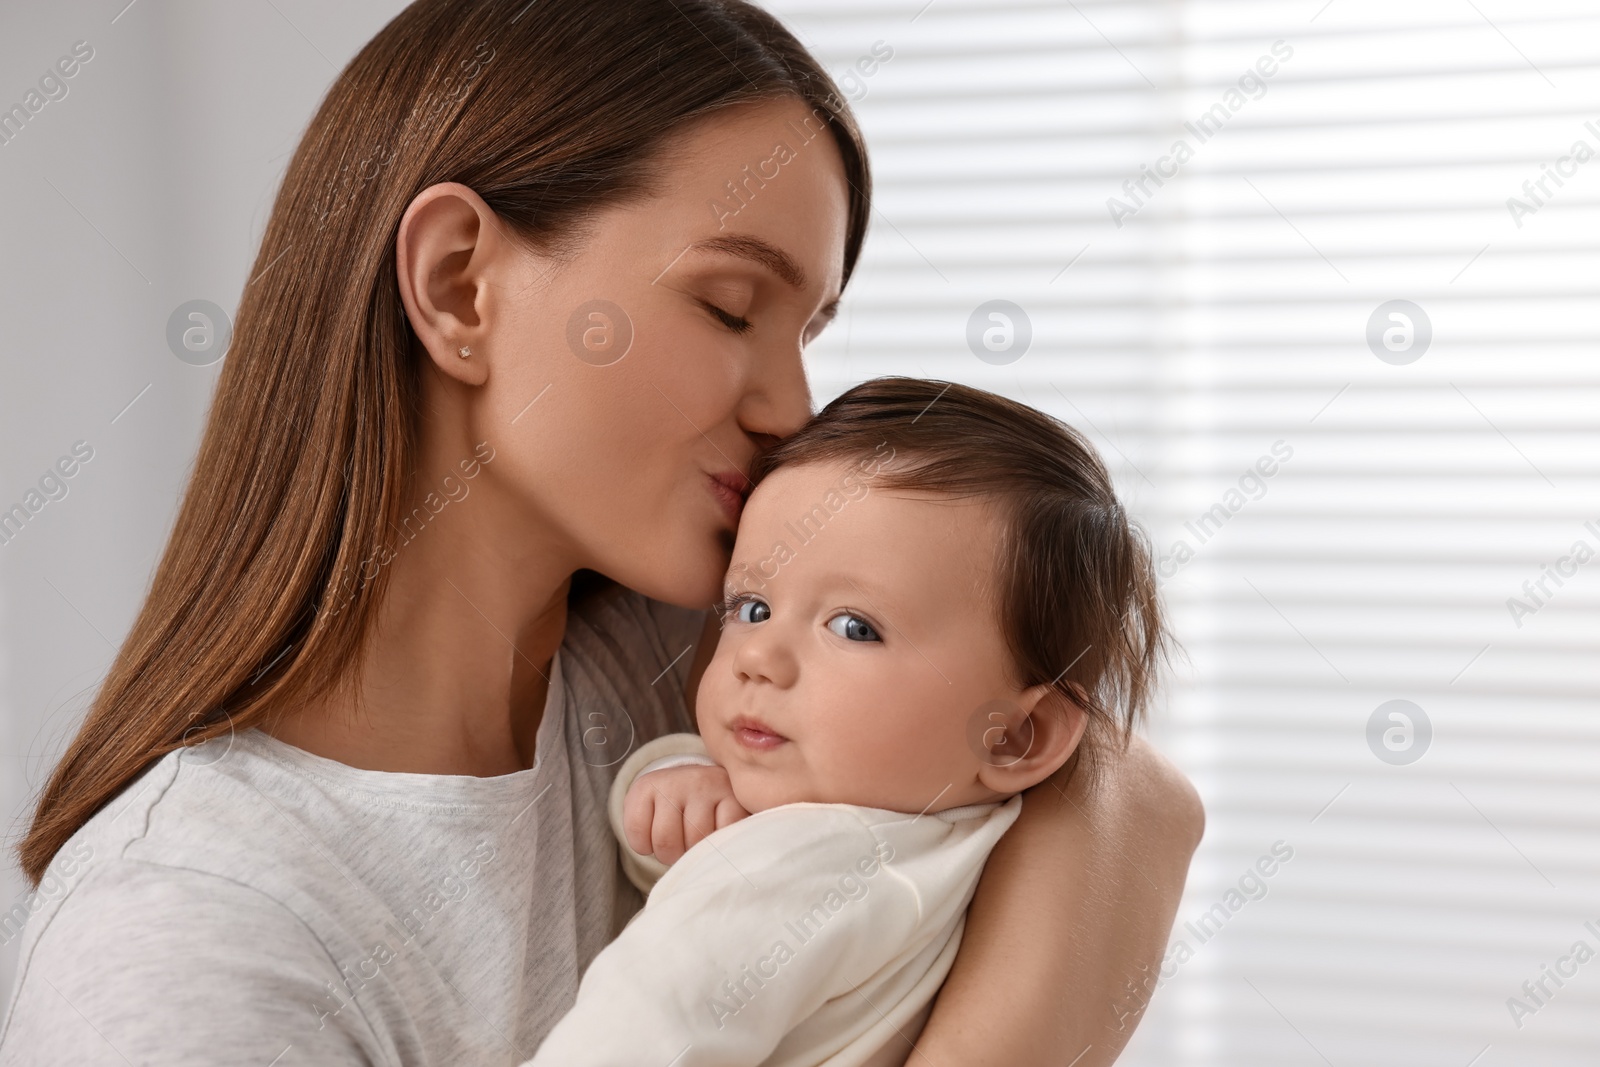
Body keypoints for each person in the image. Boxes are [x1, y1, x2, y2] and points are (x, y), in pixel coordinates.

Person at [0, 1, 1202, 1064]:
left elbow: (1124, 790)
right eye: (729, 304)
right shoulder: (189, 932)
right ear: (462, 282)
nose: (789, 406)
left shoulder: (687, 652)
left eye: (808, 331)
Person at [527, 377, 1174, 1066]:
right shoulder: (981, 845)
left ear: (1016, 734)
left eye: (853, 626)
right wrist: (676, 786)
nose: (759, 658)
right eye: (749, 607)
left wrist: (680, 808)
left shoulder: (794, 862)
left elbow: (642, 1027)